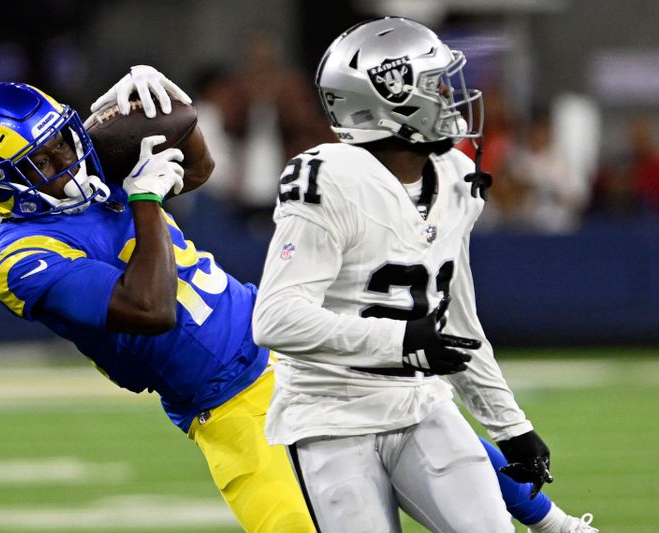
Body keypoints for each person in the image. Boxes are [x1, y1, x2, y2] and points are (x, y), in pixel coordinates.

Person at [0, 65, 594, 533]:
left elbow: (197, 168)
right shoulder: (22, 261)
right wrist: (142, 196)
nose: (70, 156)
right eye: (46, 155)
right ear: (1, 182)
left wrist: (169, 103)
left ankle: (559, 524)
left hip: (284, 345)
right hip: (228, 408)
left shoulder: (83, 170)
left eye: (63, 137)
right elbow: (150, 306)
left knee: (427, 420)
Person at [252, 17, 598, 533]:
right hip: (330, 415)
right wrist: (401, 341)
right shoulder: (331, 178)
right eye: (435, 84)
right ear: (391, 98)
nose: (452, 97)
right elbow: (275, 320)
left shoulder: (457, 177)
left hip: (420, 404)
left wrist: (511, 426)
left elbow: (455, 322)